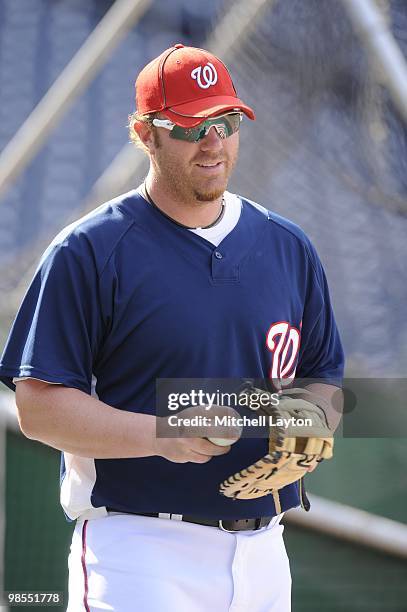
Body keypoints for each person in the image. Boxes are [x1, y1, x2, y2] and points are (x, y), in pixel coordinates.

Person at [0, 44, 344, 611]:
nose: (213, 143)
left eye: (226, 122)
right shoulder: (89, 251)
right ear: (145, 132)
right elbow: (37, 410)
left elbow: (322, 378)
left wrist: (306, 432)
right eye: (189, 127)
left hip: (265, 549)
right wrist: (163, 432)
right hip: (139, 549)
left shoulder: (289, 246)